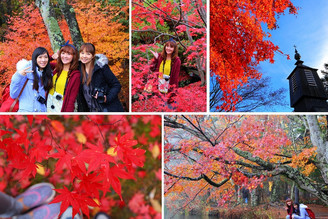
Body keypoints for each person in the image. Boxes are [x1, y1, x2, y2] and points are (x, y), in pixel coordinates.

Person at [77, 43, 124, 112]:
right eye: (82, 53)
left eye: (88, 54)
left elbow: (116, 85)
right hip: (90, 111)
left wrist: (107, 98)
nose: (84, 56)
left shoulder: (101, 67)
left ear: (93, 56)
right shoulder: (79, 69)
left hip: (107, 109)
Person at [10, 47, 53, 112]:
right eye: (40, 57)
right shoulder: (26, 73)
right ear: (35, 59)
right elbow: (13, 95)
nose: (43, 60)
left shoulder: (48, 74)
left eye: (45, 57)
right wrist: (18, 76)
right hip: (26, 113)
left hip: (42, 113)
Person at [47, 41, 80, 112]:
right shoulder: (56, 68)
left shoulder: (75, 75)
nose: (65, 56)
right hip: (48, 103)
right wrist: (52, 57)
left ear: (73, 56)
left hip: (60, 106)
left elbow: (71, 99)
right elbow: (38, 63)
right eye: (63, 53)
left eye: (68, 54)